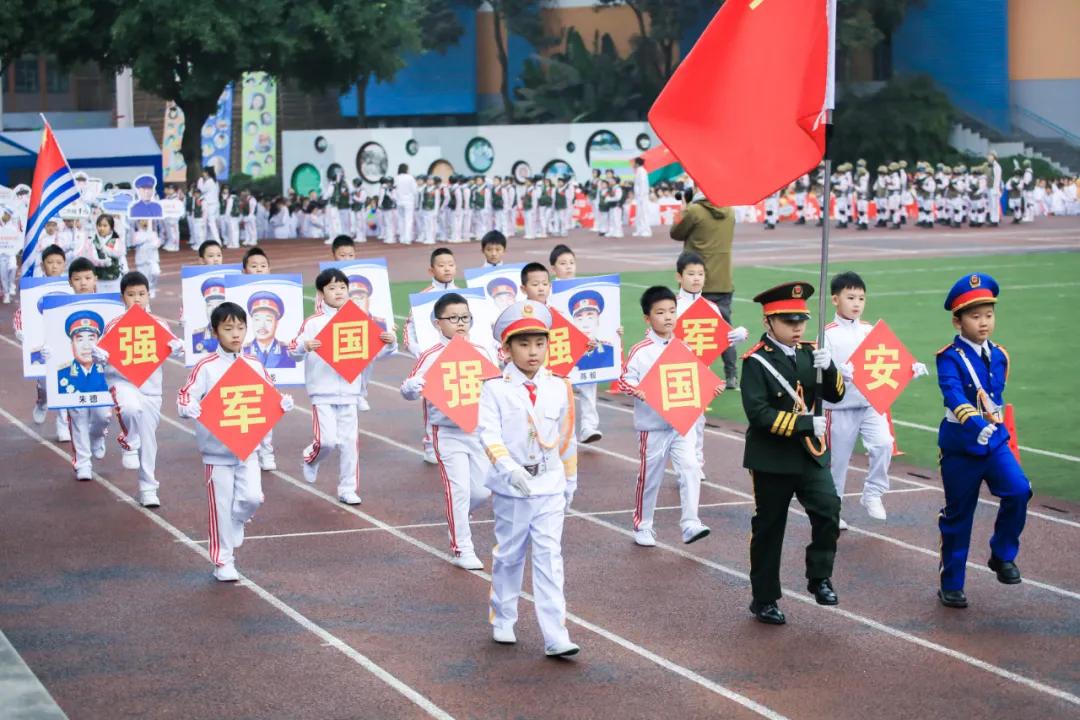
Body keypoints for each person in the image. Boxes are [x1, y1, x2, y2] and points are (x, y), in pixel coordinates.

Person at [477, 300, 580, 658]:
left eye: (540, 343)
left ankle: (556, 635)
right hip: (512, 486)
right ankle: (504, 617)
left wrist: (570, 479)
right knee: (510, 554)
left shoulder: (559, 385)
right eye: (523, 344)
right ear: (507, 348)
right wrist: (509, 469)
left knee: (550, 558)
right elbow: (488, 434)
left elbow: (566, 436)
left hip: (549, 482)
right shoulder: (495, 388)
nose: (533, 352)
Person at [740, 281, 845, 625]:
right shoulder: (756, 361)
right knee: (770, 529)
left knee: (829, 509)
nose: (797, 327)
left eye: (801, 320)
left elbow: (837, 394)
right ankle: (764, 598)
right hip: (772, 458)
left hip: (809, 455)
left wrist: (830, 367)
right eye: (788, 320)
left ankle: (819, 577)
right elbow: (758, 414)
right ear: (768, 321)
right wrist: (804, 424)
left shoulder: (810, 353)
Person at [177, 301, 294, 581]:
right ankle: (223, 562)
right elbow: (185, 395)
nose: (235, 334)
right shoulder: (206, 367)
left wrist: (282, 403)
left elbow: (268, 394)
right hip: (216, 452)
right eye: (228, 328)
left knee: (252, 497)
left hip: (247, 448)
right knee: (220, 507)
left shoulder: (253, 363)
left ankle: (239, 518)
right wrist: (187, 407)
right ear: (215, 331)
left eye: (240, 328)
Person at [935, 273, 1030, 609]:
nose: (984, 322)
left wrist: (990, 428)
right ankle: (951, 584)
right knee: (959, 516)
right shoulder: (949, 356)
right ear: (957, 321)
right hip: (961, 447)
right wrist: (975, 424)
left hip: (995, 443)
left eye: (989, 315)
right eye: (975, 316)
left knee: (1019, 490)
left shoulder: (1000, 355)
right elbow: (953, 394)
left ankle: (1002, 554)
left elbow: (995, 396)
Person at [823, 272, 928, 528]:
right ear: (835, 300)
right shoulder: (826, 334)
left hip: (870, 404)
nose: (856, 303)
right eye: (850, 298)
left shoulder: (869, 330)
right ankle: (831, 512)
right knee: (837, 462)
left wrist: (910, 369)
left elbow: (888, 361)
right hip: (839, 408)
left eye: (861, 298)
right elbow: (819, 372)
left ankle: (873, 492)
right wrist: (837, 373)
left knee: (883, 444)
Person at [401, 292, 495, 569]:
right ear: (437, 323)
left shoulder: (481, 351)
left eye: (465, 317)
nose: (460, 323)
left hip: (477, 431)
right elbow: (409, 390)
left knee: (482, 492)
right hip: (447, 432)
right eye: (453, 318)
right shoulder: (430, 356)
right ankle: (462, 548)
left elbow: (495, 385)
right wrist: (411, 387)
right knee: (459, 491)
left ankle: (458, 517)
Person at [620, 286, 719, 547]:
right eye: (660, 312)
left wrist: (712, 387)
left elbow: (695, 380)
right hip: (652, 427)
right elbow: (624, 380)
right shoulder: (640, 350)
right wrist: (637, 389)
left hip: (681, 424)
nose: (668, 317)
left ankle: (690, 523)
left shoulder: (683, 347)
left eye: (672, 311)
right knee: (650, 477)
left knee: (690, 467)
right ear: (647, 318)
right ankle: (643, 525)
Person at [290, 269, 396, 505]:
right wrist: (304, 346)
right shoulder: (313, 323)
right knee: (327, 441)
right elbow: (292, 350)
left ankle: (348, 488)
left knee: (349, 443)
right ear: (321, 293)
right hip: (321, 391)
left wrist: (389, 344)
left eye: (342, 287)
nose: (338, 292)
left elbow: (374, 354)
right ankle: (311, 458)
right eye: (331, 288)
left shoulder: (359, 321)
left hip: (350, 391)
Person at [94, 271, 184, 507]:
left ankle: (148, 488)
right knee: (130, 409)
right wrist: (98, 355)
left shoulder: (159, 324)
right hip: (122, 383)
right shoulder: (114, 325)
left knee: (149, 441)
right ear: (122, 297)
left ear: (148, 294)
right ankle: (128, 440)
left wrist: (178, 347)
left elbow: (174, 347)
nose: (137, 299)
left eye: (141, 294)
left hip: (151, 389)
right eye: (131, 294)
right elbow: (100, 354)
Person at [674, 252, 749, 478]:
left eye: (700, 274)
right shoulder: (673, 306)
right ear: (679, 277)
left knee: (698, 422)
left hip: (700, 374)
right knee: (679, 424)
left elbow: (718, 338)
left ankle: (695, 465)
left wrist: (735, 336)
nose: (696, 278)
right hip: (675, 372)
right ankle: (684, 467)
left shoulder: (711, 307)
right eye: (691, 274)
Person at [670, 194, 739, 389]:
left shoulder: (694, 211)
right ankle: (731, 374)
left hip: (696, 279)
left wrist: (684, 208)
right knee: (725, 330)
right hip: (723, 279)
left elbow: (675, 232)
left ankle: (692, 372)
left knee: (690, 330)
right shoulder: (730, 211)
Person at [50, 259, 111, 481]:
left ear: (95, 279)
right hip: (73, 378)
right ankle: (83, 463)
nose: (83, 283)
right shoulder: (61, 309)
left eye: (87, 278)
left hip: (103, 372)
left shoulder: (108, 306)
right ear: (70, 282)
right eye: (77, 279)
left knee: (103, 416)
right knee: (77, 418)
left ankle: (98, 436)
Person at [404, 247, 460, 463]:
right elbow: (409, 327)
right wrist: (418, 350)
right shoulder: (423, 297)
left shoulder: (463, 294)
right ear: (431, 270)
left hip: (458, 356)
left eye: (451, 265)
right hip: (433, 357)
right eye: (441, 265)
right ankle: (430, 444)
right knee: (432, 398)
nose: (447, 269)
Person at [14, 245, 68, 436]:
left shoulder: (70, 286)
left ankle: (63, 425)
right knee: (45, 383)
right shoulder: (34, 288)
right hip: (41, 342)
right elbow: (22, 312)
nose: (54, 266)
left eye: (58, 262)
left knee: (63, 380)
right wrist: (20, 330)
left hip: (63, 342)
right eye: (50, 262)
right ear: (43, 265)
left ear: (64, 264)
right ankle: (42, 401)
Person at [129, 219, 162, 298]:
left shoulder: (153, 233)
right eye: (142, 221)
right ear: (139, 223)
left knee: (156, 272)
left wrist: (152, 241)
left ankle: (152, 288)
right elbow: (134, 243)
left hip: (153, 259)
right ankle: (146, 292)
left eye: (146, 221)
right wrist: (146, 239)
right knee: (143, 279)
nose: (144, 222)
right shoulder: (136, 234)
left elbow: (157, 244)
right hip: (141, 260)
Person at [395, 164, 418, 244]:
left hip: (399, 201)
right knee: (408, 220)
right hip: (408, 201)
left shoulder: (396, 178)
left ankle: (402, 238)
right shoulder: (410, 177)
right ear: (406, 169)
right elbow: (415, 190)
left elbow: (394, 190)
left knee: (401, 220)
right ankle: (407, 238)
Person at [197, 167, 222, 243]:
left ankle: (217, 240)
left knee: (211, 223)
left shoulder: (209, 181)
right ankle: (211, 239)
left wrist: (200, 181)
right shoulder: (215, 181)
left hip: (210, 204)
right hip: (214, 204)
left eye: (204, 172)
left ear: (207, 173)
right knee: (210, 223)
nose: (202, 174)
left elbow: (202, 189)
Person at [632, 158, 651, 237]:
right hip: (639, 196)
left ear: (637, 163)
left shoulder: (642, 171)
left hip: (643, 196)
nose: (633, 164)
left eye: (634, 163)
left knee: (644, 213)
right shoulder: (638, 171)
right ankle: (639, 230)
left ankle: (647, 230)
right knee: (639, 214)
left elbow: (643, 183)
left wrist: (641, 195)